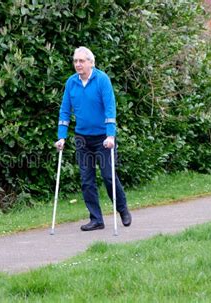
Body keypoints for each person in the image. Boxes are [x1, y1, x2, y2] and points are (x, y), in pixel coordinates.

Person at [55, 46, 131, 231]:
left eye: (82, 61)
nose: (78, 64)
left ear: (91, 62)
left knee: (108, 176)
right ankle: (96, 219)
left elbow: (110, 108)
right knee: (86, 180)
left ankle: (122, 209)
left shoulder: (102, 80)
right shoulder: (71, 83)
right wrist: (61, 137)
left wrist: (111, 135)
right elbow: (65, 110)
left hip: (103, 139)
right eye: (75, 61)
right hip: (82, 138)